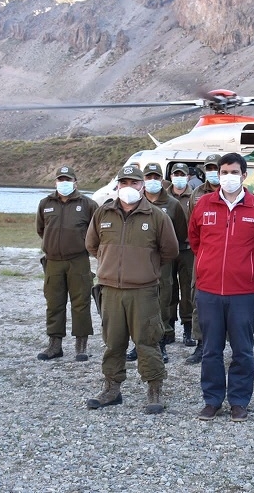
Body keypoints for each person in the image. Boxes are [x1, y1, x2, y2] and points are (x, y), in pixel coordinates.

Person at [85, 165, 179, 414]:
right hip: (111, 290)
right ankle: (112, 389)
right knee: (113, 342)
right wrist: (111, 265)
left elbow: (170, 251)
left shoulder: (157, 216)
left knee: (147, 341)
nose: (129, 188)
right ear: (117, 186)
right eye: (124, 183)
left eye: (134, 183)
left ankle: (154, 390)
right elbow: (92, 245)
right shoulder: (103, 213)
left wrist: (144, 268)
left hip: (143, 291)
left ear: (142, 186)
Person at [189, 152, 254, 422]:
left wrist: (244, 268)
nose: (228, 177)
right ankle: (212, 400)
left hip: (243, 292)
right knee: (211, 349)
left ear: (244, 175)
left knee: (243, 350)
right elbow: (195, 241)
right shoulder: (203, 204)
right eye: (223, 172)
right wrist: (209, 265)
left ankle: (239, 401)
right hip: (210, 290)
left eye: (233, 172)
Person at [122, 163, 187, 364]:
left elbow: (179, 234)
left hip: (162, 263)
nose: (151, 181)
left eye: (155, 177)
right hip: (138, 262)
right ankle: (138, 343)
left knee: (163, 300)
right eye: (148, 177)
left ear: (161, 180)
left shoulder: (173, 204)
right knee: (139, 302)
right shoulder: (131, 202)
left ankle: (161, 343)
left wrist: (165, 257)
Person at [36, 166, 98, 361]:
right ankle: (54, 345)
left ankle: (81, 346)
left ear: (75, 182)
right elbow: (41, 229)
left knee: (81, 303)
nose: (64, 183)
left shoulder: (88, 204)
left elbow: (96, 232)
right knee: (54, 303)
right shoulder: (45, 203)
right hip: (53, 261)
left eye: (67, 180)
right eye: (60, 179)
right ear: (55, 182)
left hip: (78, 261)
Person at [184, 154, 223, 365]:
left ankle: (229, 344)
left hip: (227, 258)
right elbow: (193, 228)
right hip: (203, 257)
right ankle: (201, 344)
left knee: (229, 302)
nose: (212, 172)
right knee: (200, 299)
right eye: (208, 168)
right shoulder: (196, 195)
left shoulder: (231, 193)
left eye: (215, 168)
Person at [167, 163, 197, 346]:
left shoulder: (194, 196)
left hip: (187, 250)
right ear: (171, 176)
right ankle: (168, 329)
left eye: (182, 174)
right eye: (175, 174)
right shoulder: (164, 196)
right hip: (167, 251)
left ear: (188, 177)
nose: (179, 177)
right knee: (168, 290)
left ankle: (188, 329)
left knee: (187, 290)